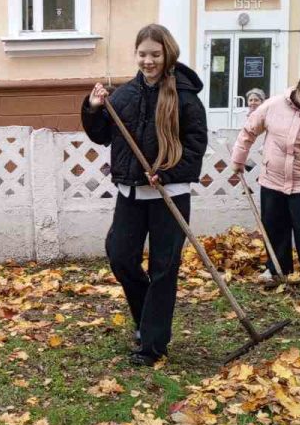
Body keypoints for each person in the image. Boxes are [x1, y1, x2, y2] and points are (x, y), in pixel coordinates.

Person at [82, 24, 208, 366]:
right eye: (142, 54)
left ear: (167, 54)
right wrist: (94, 107)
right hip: (131, 194)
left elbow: (196, 145)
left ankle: (153, 345)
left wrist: (167, 173)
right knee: (121, 256)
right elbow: (102, 135)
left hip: (170, 194)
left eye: (155, 54)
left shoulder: (185, 97)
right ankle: (145, 318)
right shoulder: (125, 95)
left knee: (164, 268)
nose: (148, 61)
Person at [231, 71, 300, 286]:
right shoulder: (273, 106)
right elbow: (248, 132)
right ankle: (276, 268)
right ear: (299, 90)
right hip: (272, 178)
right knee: (274, 223)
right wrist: (238, 160)